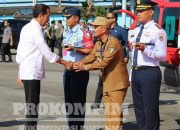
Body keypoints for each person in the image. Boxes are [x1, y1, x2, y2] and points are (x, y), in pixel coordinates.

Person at [16, 4, 71, 130]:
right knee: (32, 105)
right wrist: (65, 63)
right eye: (48, 16)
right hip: (32, 71)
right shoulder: (35, 30)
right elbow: (48, 53)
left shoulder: (27, 27)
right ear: (40, 16)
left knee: (31, 104)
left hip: (28, 71)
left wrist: (20, 71)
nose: (48, 18)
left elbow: (20, 51)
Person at [73, 16, 130, 130]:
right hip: (108, 82)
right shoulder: (100, 42)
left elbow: (104, 63)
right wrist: (79, 63)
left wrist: (85, 67)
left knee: (115, 113)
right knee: (109, 112)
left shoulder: (112, 43)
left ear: (104, 29)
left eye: (95, 27)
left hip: (117, 84)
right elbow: (92, 56)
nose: (92, 29)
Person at [128, 0, 167, 130]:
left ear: (151, 12)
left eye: (142, 10)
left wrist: (146, 49)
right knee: (139, 109)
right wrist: (131, 75)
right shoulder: (135, 30)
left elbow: (162, 55)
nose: (138, 13)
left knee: (149, 110)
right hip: (136, 72)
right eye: (137, 10)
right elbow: (133, 56)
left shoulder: (158, 31)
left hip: (149, 73)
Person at [62, 7, 94, 130]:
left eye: (68, 17)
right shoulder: (68, 31)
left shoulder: (83, 32)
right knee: (69, 102)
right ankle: (72, 127)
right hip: (68, 69)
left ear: (76, 18)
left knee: (78, 102)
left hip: (78, 70)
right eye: (65, 17)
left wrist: (75, 48)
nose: (66, 20)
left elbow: (90, 50)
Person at [91, 11, 129, 109]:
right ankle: (97, 102)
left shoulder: (121, 30)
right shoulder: (105, 30)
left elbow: (128, 44)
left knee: (114, 82)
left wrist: (127, 56)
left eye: (109, 18)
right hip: (104, 59)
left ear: (114, 19)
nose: (107, 19)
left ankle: (114, 102)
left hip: (116, 61)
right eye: (106, 17)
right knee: (101, 81)